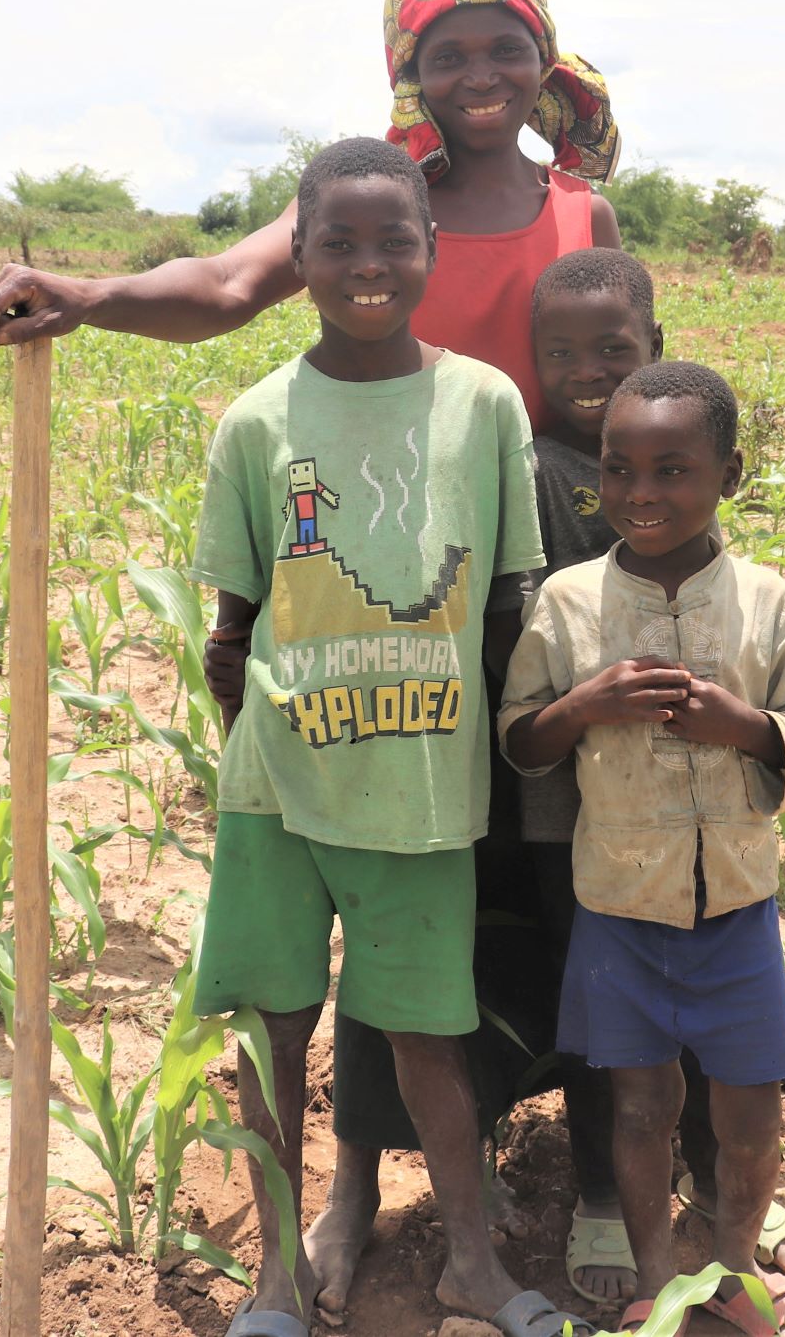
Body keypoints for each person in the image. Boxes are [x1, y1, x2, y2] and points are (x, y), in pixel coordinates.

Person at [0, 0, 785, 1317]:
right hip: (407, 616)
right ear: (407, 67)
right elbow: (227, 287)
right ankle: (361, 1189)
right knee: (408, 881)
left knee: (592, 875)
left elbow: (627, 365)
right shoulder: (386, 196)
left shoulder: (577, 207)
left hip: (543, 586)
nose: (479, 72)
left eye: (506, 47)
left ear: (545, 60)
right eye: (449, 51)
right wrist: (84, 296)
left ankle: (666, 1161)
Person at [188, 137, 587, 1337]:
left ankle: (471, 1262)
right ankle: (273, 1283)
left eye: (393, 239)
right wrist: (279, 735)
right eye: (339, 241)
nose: (368, 263)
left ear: (432, 250)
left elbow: (511, 608)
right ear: (298, 254)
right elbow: (231, 631)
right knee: (276, 1043)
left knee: (429, 1039)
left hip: (421, 796)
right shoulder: (258, 425)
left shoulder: (483, 404)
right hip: (280, 799)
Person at [500, 362, 785, 1337]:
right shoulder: (567, 603)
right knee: (639, 1105)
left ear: (728, 475)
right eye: (620, 471)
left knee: (749, 1117)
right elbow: (519, 736)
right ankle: (657, 1278)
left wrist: (751, 729)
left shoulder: (768, 602)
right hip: (617, 905)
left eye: (672, 471)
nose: (641, 495)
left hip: (735, 905)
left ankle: (733, 1271)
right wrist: (582, 707)